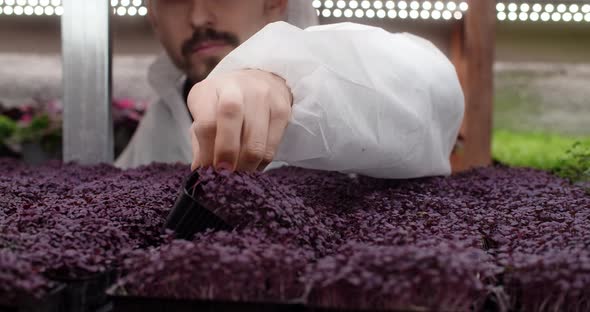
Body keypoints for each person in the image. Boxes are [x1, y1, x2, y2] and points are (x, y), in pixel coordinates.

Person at [116, 0, 464, 179]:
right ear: (154, 18)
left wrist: (288, 83)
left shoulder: (341, 66)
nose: (197, 17)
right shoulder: (162, 117)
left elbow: (432, 92)